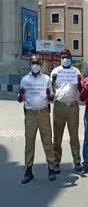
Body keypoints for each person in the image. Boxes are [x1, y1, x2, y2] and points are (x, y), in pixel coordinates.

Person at [18, 54, 56, 184]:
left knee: (47, 142)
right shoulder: (24, 80)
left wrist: (49, 96)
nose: (35, 65)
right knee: (29, 144)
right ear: (30, 64)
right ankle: (28, 170)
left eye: (37, 63)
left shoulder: (46, 79)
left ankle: (51, 168)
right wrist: (21, 95)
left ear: (40, 64)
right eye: (33, 62)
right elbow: (19, 99)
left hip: (44, 114)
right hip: (30, 115)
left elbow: (52, 98)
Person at [51, 49, 82, 173]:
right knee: (57, 137)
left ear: (71, 58)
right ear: (60, 58)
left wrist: (79, 81)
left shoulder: (76, 71)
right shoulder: (56, 71)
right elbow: (49, 88)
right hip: (59, 106)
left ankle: (77, 161)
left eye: (67, 57)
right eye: (63, 57)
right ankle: (56, 162)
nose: (65, 59)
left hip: (73, 107)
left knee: (74, 136)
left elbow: (80, 88)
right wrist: (53, 80)